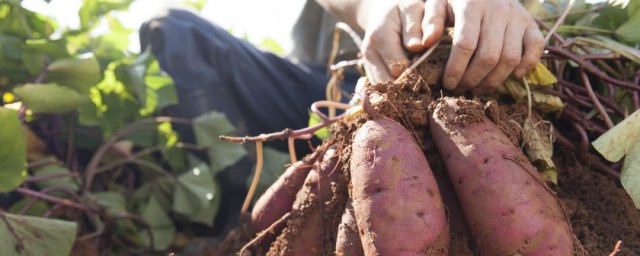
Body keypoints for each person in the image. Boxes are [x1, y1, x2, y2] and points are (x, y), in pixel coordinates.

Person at [139, 0, 544, 239]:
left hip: (490, 92)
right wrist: (373, 7)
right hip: (344, 89)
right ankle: (236, 224)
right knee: (173, 31)